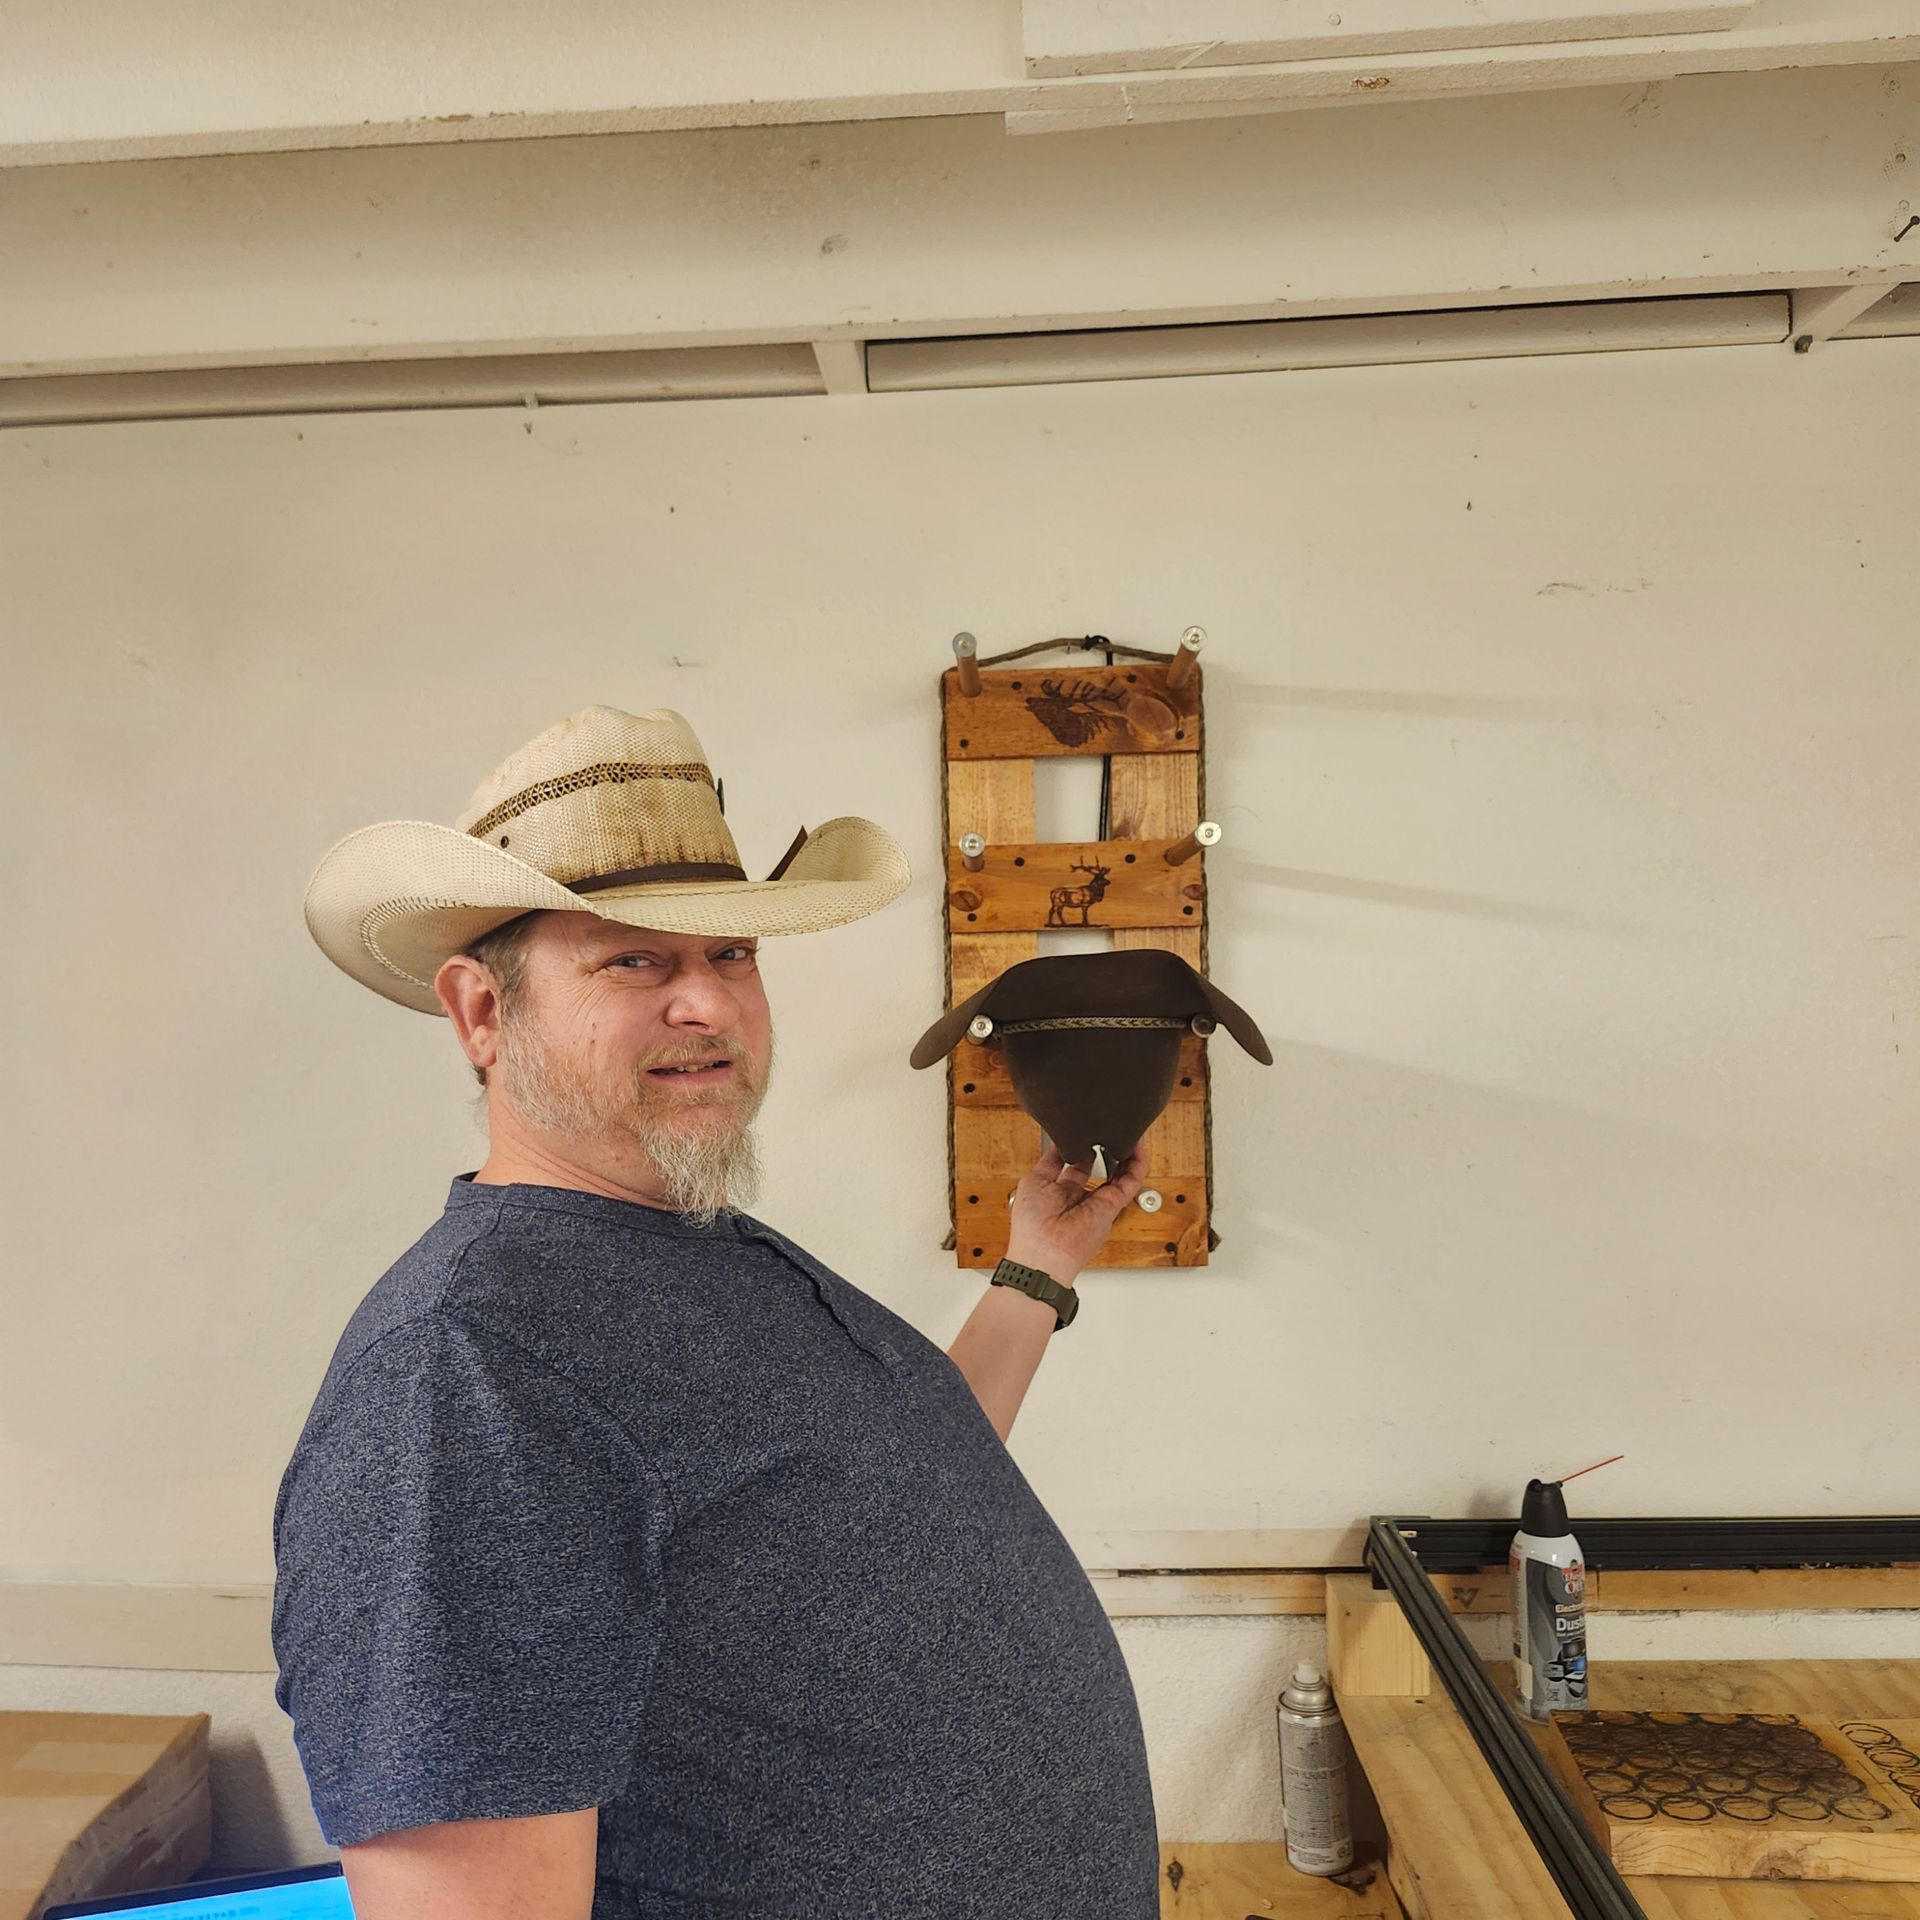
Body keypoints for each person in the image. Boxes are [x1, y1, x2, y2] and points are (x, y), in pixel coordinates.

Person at [273, 704, 1157, 1919]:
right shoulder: (466, 1372)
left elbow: (901, 1484)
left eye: (730, 955)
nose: (708, 1004)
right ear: (483, 1014)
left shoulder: (701, 1243)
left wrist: (1037, 1271)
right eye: (634, 960)